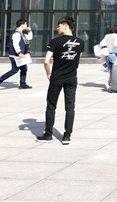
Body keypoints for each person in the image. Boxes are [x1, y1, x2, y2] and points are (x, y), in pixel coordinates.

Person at [36, 16, 84, 145]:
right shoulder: (81, 42)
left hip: (57, 77)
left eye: (59, 26)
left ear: (65, 26)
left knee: (51, 106)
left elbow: (46, 61)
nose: (57, 28)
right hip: (72, 78)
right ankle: (67, 136)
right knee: (70, 107)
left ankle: (48, 135)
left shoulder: (55, 42)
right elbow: (78, 57)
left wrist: (48, 73)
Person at [0, 19, 33, 91]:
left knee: (24, 69)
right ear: (22, 25)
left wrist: (29, 31)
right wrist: (19, 53)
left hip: (20, 56)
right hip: (16, 56)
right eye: (26, 24)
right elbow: (15, 44)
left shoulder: (21, 34)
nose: (27, 26)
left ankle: (23, 83)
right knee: (14, 70)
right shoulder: (16, 34)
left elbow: (30, 37)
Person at [101, 25, 117, 90]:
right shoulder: (116, 36)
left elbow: (102, 43)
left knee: (111, 71)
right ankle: (110, 84)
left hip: (107, 55)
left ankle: (110, 84)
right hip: (114, 55)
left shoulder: (107, 36)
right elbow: (116, 44)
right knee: (115, 72)